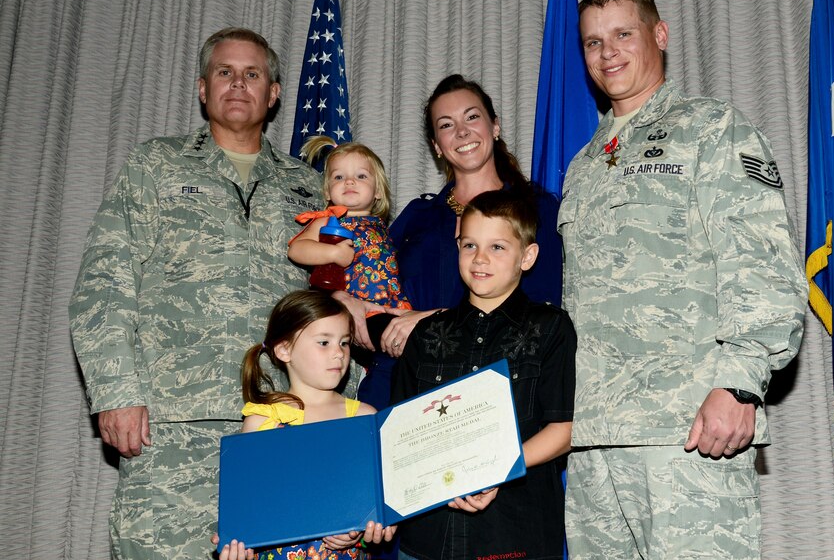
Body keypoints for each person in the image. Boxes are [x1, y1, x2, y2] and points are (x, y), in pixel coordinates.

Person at [559, 0, 808, 559]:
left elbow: (762, 261)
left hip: (687, 429)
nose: (608, 53)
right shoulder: (584, 163)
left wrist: (740, 382)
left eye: (623, 34)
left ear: (660, 35)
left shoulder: (712, 127)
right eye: (593, 42)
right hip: (594, 437)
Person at [69, 28, 327, 560]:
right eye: (225, 73)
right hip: (172, 423)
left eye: (252, 73)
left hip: (281, 422)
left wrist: (334, 413)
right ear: (203, 88)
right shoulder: (156, 166)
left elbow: (333, 306)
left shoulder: (309, 187)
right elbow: (104, 281)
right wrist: (116, 391)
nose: (238, 84)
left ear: (274, 93)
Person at [349, 74, 564, 411]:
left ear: (495, 126)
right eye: (446, 125)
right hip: (396, 387)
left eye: (472, 117)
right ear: (436, 145)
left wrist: (430, 321)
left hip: (488, 391)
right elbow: (372, 290)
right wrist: (342, 300)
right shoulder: (417, 216)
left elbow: (542, 315)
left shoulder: (538, 210)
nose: (462, 132)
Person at [391, 189, 576, 560]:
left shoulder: (550, 327)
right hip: (428, 536)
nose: (480, 259)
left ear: (528, 256)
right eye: (469, 245)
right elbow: (398, 433)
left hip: (515, 531)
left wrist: (494, 470)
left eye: (497, 248)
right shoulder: (426, 334)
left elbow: (564, 430)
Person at [217, 290, 395, 560]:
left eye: (345, 343)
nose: (338, 353)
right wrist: (241, 547)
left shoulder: (364, 418)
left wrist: (365, 531)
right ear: (284, 349)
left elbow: (378, 507)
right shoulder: (263, 420)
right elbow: (251, 506)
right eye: (324, 342)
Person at [289, 135, 410, 351]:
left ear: (378, 191)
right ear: (327, 191)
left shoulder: (382, 227)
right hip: (353, 313)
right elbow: (296, 249)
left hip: (393, 307)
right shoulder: (329, 220)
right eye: (338, 177)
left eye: (361, 176)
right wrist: (333, 253)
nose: (349, 181)